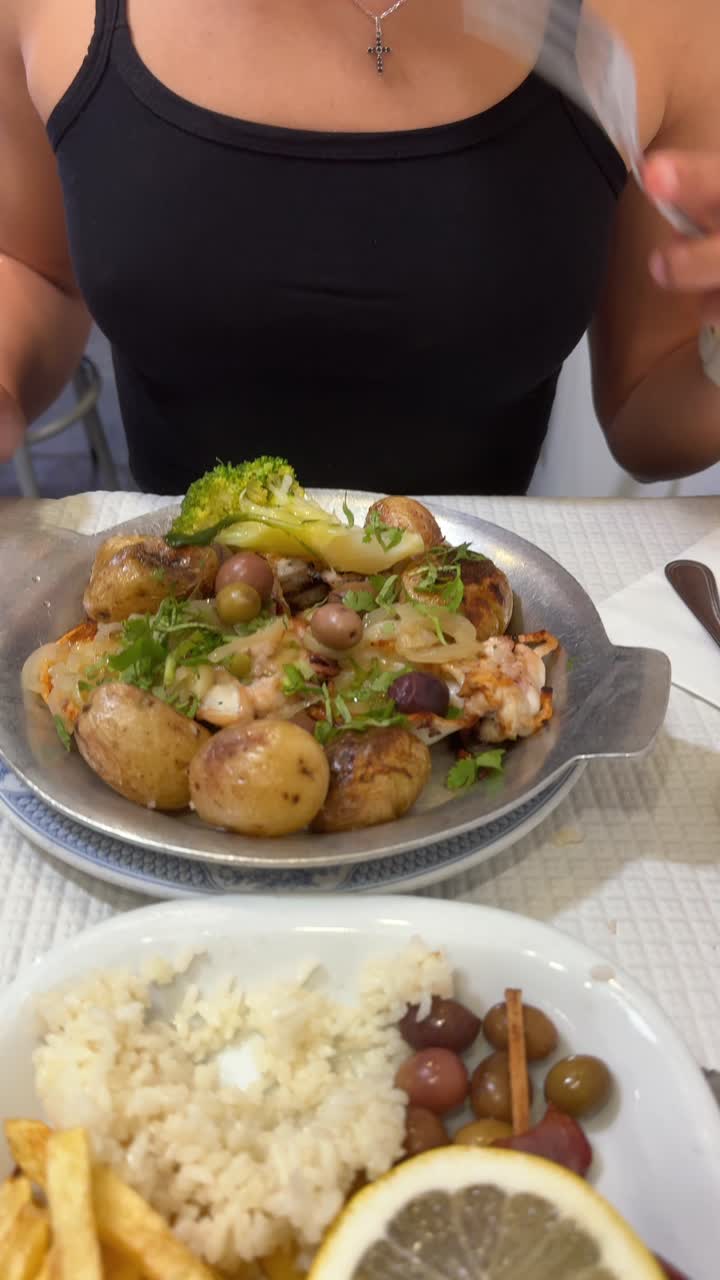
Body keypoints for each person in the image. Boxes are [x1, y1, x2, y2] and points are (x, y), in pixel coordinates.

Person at [1, 0, 720, 496]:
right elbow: (32, 265)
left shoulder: (665, 19)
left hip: (483, 648)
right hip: (175, 631)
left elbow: (649, 413)